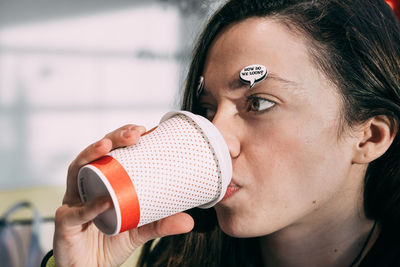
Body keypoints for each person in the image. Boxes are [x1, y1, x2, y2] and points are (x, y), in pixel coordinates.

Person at [43, 0, 400, 266]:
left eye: (258, 103)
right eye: (208, 109)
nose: (217, 137)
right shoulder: (175, 258)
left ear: (370, 137)